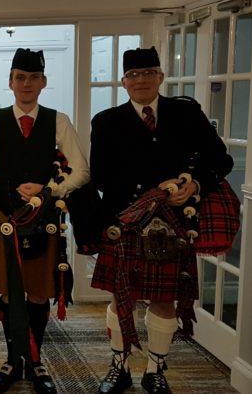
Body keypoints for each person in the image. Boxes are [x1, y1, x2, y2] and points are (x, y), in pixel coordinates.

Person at [90, 47, 234, 394]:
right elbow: (100, 177)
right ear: (124, 82)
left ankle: (155, 369)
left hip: (173, 223)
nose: (141, 80)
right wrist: (151, 195)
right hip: (127, 220)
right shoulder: (107, 121)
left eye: (148, 73)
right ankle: (119, 365)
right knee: (119, 297)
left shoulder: (186, 113)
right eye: (133, 75)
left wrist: (193, 183)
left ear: (160, 77)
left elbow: (220, 159)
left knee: (163, 300)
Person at [0, 48, 89, 394]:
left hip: (44, 220)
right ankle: (13, 360)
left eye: (33, 77)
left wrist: (51, 188)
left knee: (39, 293)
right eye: (20, 77)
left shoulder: (59, 120)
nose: (26, 84)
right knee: (10, 292)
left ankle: (35, 362)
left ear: (43, 82)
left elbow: (81, 171)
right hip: (4, 217)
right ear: (10, 82)